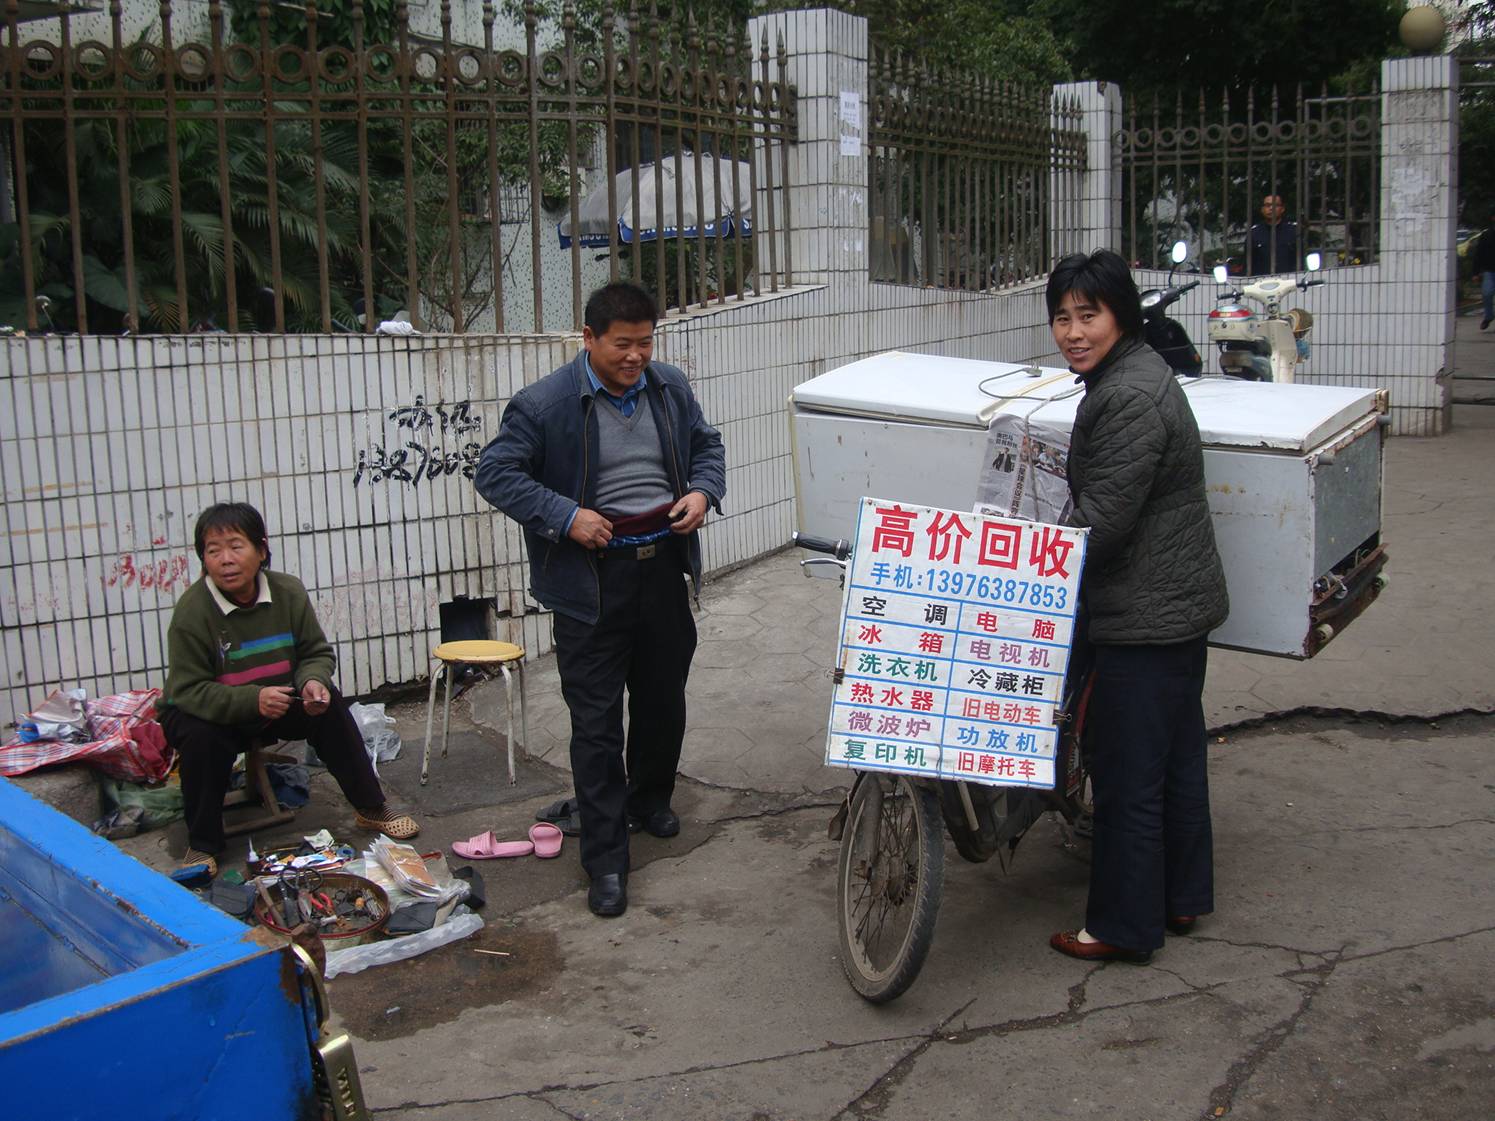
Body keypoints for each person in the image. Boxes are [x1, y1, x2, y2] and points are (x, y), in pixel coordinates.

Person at [474, 282, 725, 918]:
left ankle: (649, 799)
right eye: (623, 344)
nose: (636, 356)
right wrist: (565, 516)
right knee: (595, 724)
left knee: (663, 701)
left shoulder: (669, 387)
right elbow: (496, 473)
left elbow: (707, 447)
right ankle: (607, 860)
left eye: (645, 342)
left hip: (662, 569)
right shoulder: (544, 404)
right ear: (587, 339)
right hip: (590, 585)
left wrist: (702, 491)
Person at [1045, 249, 1230, 964]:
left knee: (1126, 773)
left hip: (1143, 613)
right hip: (1175, 604)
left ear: (1119, 313)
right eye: (1061, 317)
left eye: (1087, 314)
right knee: (1177, 757)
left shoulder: (1125, 394)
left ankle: (1120, 925)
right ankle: (1180, 896)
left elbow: (1103, 523)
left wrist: (1034, 558)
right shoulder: (1136, 374)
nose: (1072, 331)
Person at [160, 502, 419, 876]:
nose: (225, 560)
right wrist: (252, 699)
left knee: (329, 704)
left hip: (277, 700)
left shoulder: (287, 592)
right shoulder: (193, 610)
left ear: (261, 550)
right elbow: (188, 691)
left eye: (236, 546)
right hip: (210, 712)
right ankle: (203, 844)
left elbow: (314, 652)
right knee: (201, 736)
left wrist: (311, 681)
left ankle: (371, 808)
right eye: (213, 551)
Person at [1246, 193, 1299, 275]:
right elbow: (1248, 263)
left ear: (1282, 209)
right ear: (1262, 209)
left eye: (1276, 205)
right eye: (1267, 205)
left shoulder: (1293, 231)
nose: (1271, 208)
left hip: (1289, 281)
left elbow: (1300, 260)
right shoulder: (1254, 233)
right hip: (1261, 281)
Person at [1472, 213, 1495, 330]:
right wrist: (1475, 273)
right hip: (1489, 271)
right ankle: (1489, 316)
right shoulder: (1486, 235)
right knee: (1487, 293)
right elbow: (1478, 254)